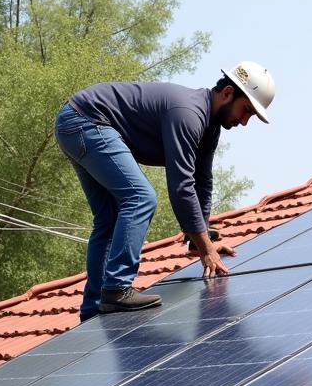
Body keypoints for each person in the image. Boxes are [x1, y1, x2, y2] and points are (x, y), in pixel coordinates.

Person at [54, 62, 274, 319]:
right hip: (88, 121)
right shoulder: (188, 114)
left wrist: (200, 239)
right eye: (246, 110)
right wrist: (206, 249)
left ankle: (93, 308)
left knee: (109, 218)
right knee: (140, 197)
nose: (244, 122)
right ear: (227, 93)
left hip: (76, 122)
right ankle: (116, 289)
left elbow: (202, 180)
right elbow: (182, 186)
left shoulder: (209, 127)